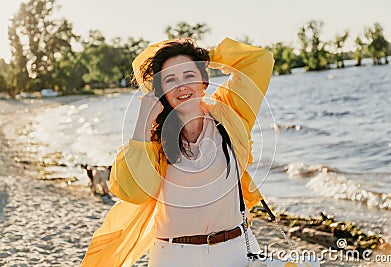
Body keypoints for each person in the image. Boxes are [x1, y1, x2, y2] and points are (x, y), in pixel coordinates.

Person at [81, 37, 274, 267]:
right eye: (171, 79)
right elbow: (132, 191)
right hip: (176, 255)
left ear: (204, 82)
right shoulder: (154, 141)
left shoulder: (230, 114)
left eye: (189, 75)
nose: (181, 86)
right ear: (161, 91)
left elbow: (260, 60)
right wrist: (143, 121)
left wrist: (205, 56)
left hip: (236, 250)